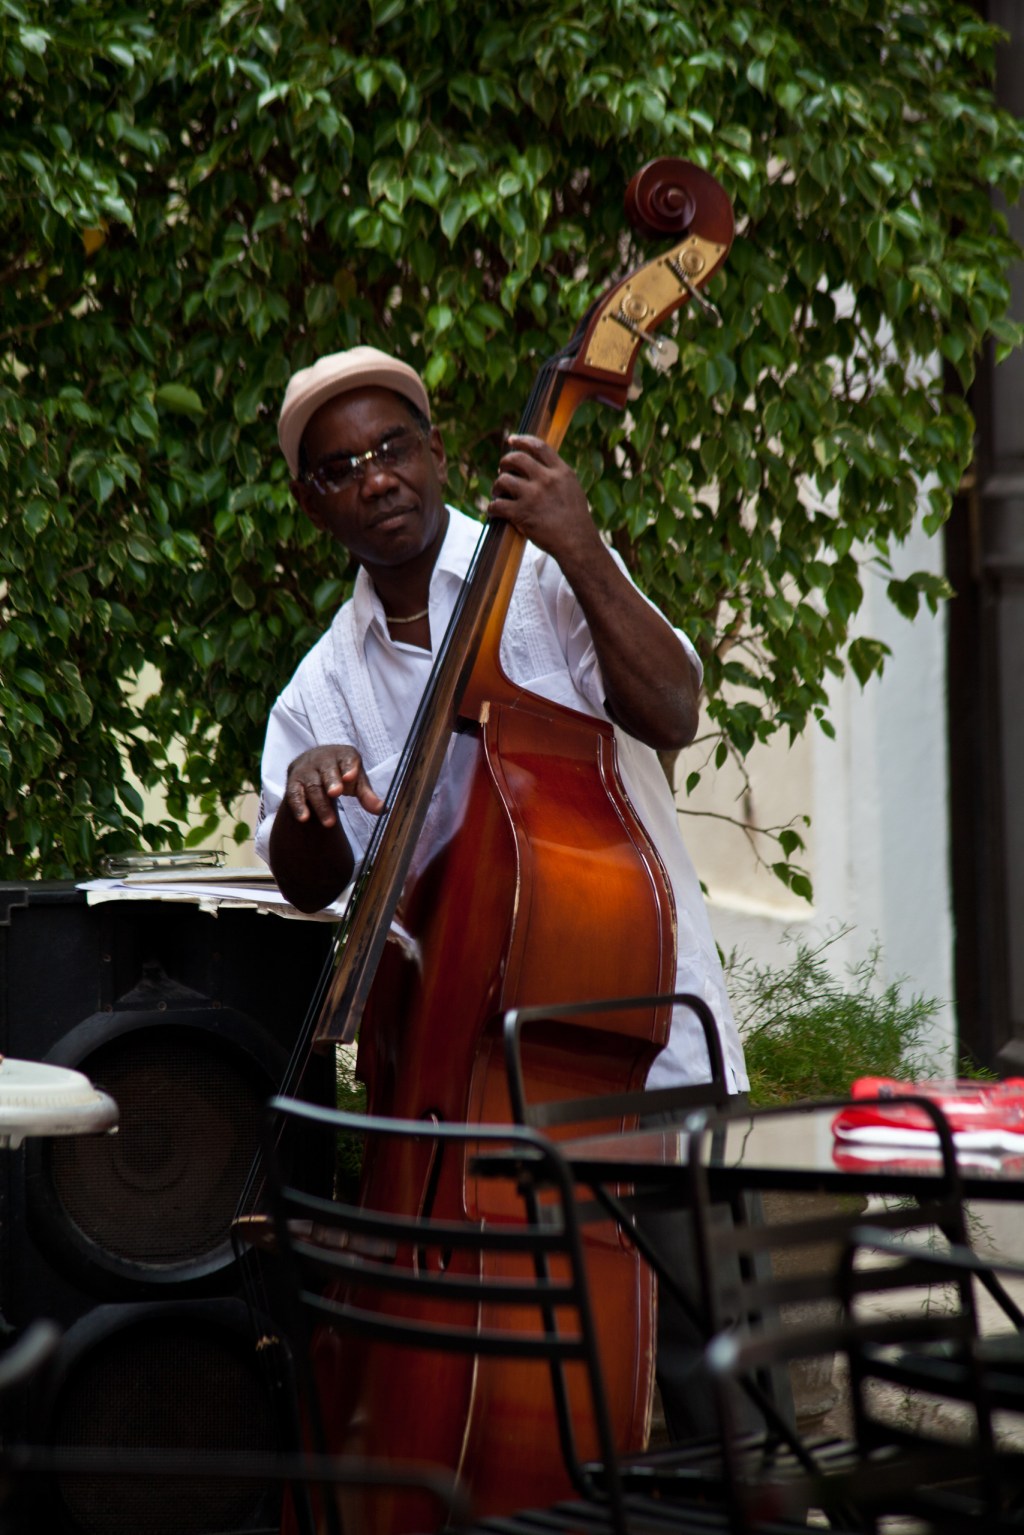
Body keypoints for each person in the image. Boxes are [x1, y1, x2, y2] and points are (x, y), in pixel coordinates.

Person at [255, 343, 751, 1437]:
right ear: (313, 501)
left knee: (723, 1405)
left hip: (639, 1058)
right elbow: (308, 888)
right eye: (341, 468)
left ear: (435, 453)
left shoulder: (546, 580)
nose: (375, 477)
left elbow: (671, 709)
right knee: (514, 1423)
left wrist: (577, 541)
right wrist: (307, 804)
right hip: (461, 1110)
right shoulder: (320, 685)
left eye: (392, 447)